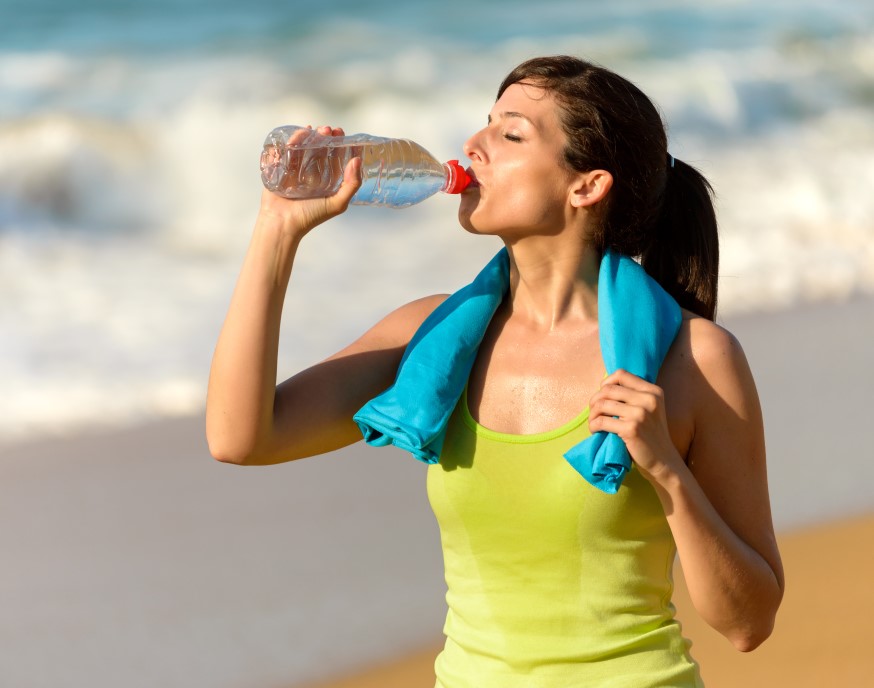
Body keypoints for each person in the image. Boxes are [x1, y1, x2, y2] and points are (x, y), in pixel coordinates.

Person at [206, 55, 784, 687]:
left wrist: (669, 474)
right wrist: (277, 228)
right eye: (485, 122)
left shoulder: (695, 360)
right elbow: (240, 438)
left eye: (510, 134)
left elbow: (748, 622)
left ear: (586, 185)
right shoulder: (429, 339)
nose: (472, 145)